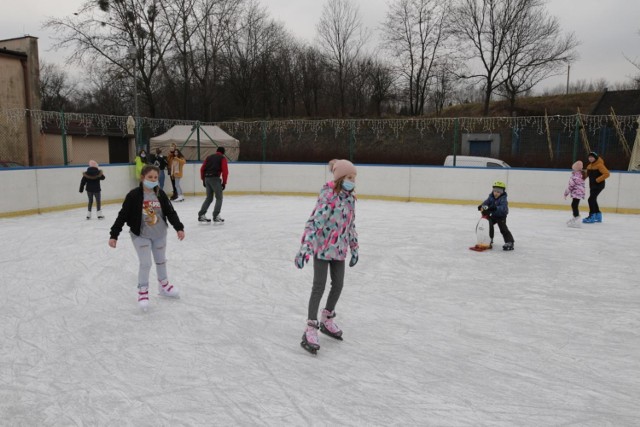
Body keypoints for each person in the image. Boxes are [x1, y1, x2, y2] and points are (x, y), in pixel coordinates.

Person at [295, 159, 359, 354]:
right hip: (322, 248)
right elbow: (314, 222)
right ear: (340, 178)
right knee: (319, 286)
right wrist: (305, 248)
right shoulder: (328, 196)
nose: (353, 181)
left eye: (354, 178)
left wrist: (354, 247)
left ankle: (327, 319)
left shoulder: (349, 199)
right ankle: (311, 327)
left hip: (339, 250)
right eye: (349, 177)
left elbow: (350, 225)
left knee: (338, 284)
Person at [108, 164, 185, 311]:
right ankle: (143, 291)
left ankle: (164, 286)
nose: (153, 180)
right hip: (141, 235)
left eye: (155, 177)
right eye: (150, 177)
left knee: (161, 261)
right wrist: (114, 234)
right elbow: (122, 215)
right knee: (145, 263)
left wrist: (179, 227)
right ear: (142, 178)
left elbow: (170, 212)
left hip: (160, 233)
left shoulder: (160, 194)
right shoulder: (134, 195)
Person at [478, 181, 515, 251]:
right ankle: (489, 239)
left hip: (501, 216)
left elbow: (503, 208)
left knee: (503, 228)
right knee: (488, 225)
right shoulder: (491, 197)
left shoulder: (503, 199)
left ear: (502, 192)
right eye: (495, 191)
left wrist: (495, 208)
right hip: (493, 215)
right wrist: (482, 206)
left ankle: (510, 242)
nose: (496, 193)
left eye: (499, 191)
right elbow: (485, 203)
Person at [198, 146, 228, 223]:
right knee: (219, 198)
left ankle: (201, 215)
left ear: (216, 151)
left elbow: (202, 169)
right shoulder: (222, 158)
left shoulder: (209, 157)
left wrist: (203, 180)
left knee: (209, 198)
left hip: (207, 178)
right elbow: (225, 172)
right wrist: (224, 183)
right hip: (215, 179)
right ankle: (216, 215)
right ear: (223, 152)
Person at [583, 151, 610, 223]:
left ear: (595, 158)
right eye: (589, 157)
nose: (590, 159)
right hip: (592, 186)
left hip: (599, 185)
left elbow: (607, 174)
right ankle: (598, 215)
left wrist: (597, 180)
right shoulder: (589, 166)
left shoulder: (600, 165)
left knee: (590, 199)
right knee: (593, 199)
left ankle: (592, 216)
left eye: (592, 157)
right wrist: (579, 180)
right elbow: (586, 175)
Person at [564, 160, 586, 228]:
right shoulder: (581, 175)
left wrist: (566, 193)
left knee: (574, 205)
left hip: (576, 192)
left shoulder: (574, 176)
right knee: (575, 204)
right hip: (580, 192)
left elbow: (571, 186)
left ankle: (577, 218)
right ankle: (576, 218)